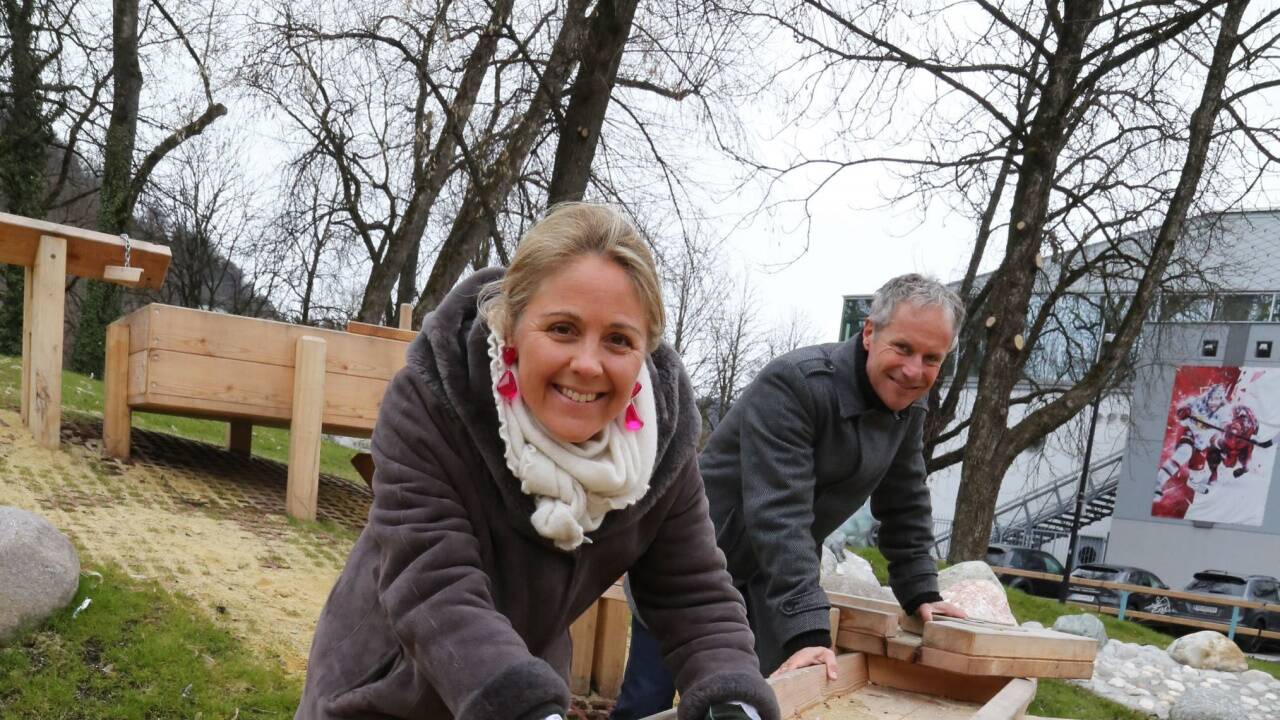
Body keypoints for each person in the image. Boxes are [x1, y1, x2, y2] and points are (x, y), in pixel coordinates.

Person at [296, 203, 778, 720]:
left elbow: (694, 593)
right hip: (385, 691)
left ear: (644, 350)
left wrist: (733, 698)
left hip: (524, 687)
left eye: (618, 339)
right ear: (513, 325)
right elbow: (431, 580)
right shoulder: (432, 404)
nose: (588, 364)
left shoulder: (660, 450)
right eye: (562, 329)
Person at [611, 273, 967, 720]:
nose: (914, 370)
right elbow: (780, 514)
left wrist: (920, 591)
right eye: (904, 348)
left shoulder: (908, 406)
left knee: (757, 706)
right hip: (688, 570)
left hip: (769, 580)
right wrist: (808, 630)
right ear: (870, 332)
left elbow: (906, 498)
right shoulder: (796, 385)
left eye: (931, 358)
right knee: (649, 701)